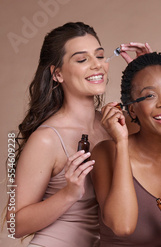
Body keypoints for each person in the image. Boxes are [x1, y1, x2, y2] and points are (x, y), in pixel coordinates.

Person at [11, 22, 110, 247]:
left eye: (100, 56)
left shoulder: (112, 124)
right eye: (82, 59)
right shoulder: (47, 138)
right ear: (57, 74)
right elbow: (13, 226)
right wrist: (69, 194)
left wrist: (145, 70)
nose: (97, 66)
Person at [91, 52, 161, 247]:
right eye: (149, 95)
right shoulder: (107, 152)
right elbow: (122, 226)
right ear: (131, 110)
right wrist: (121, 142)